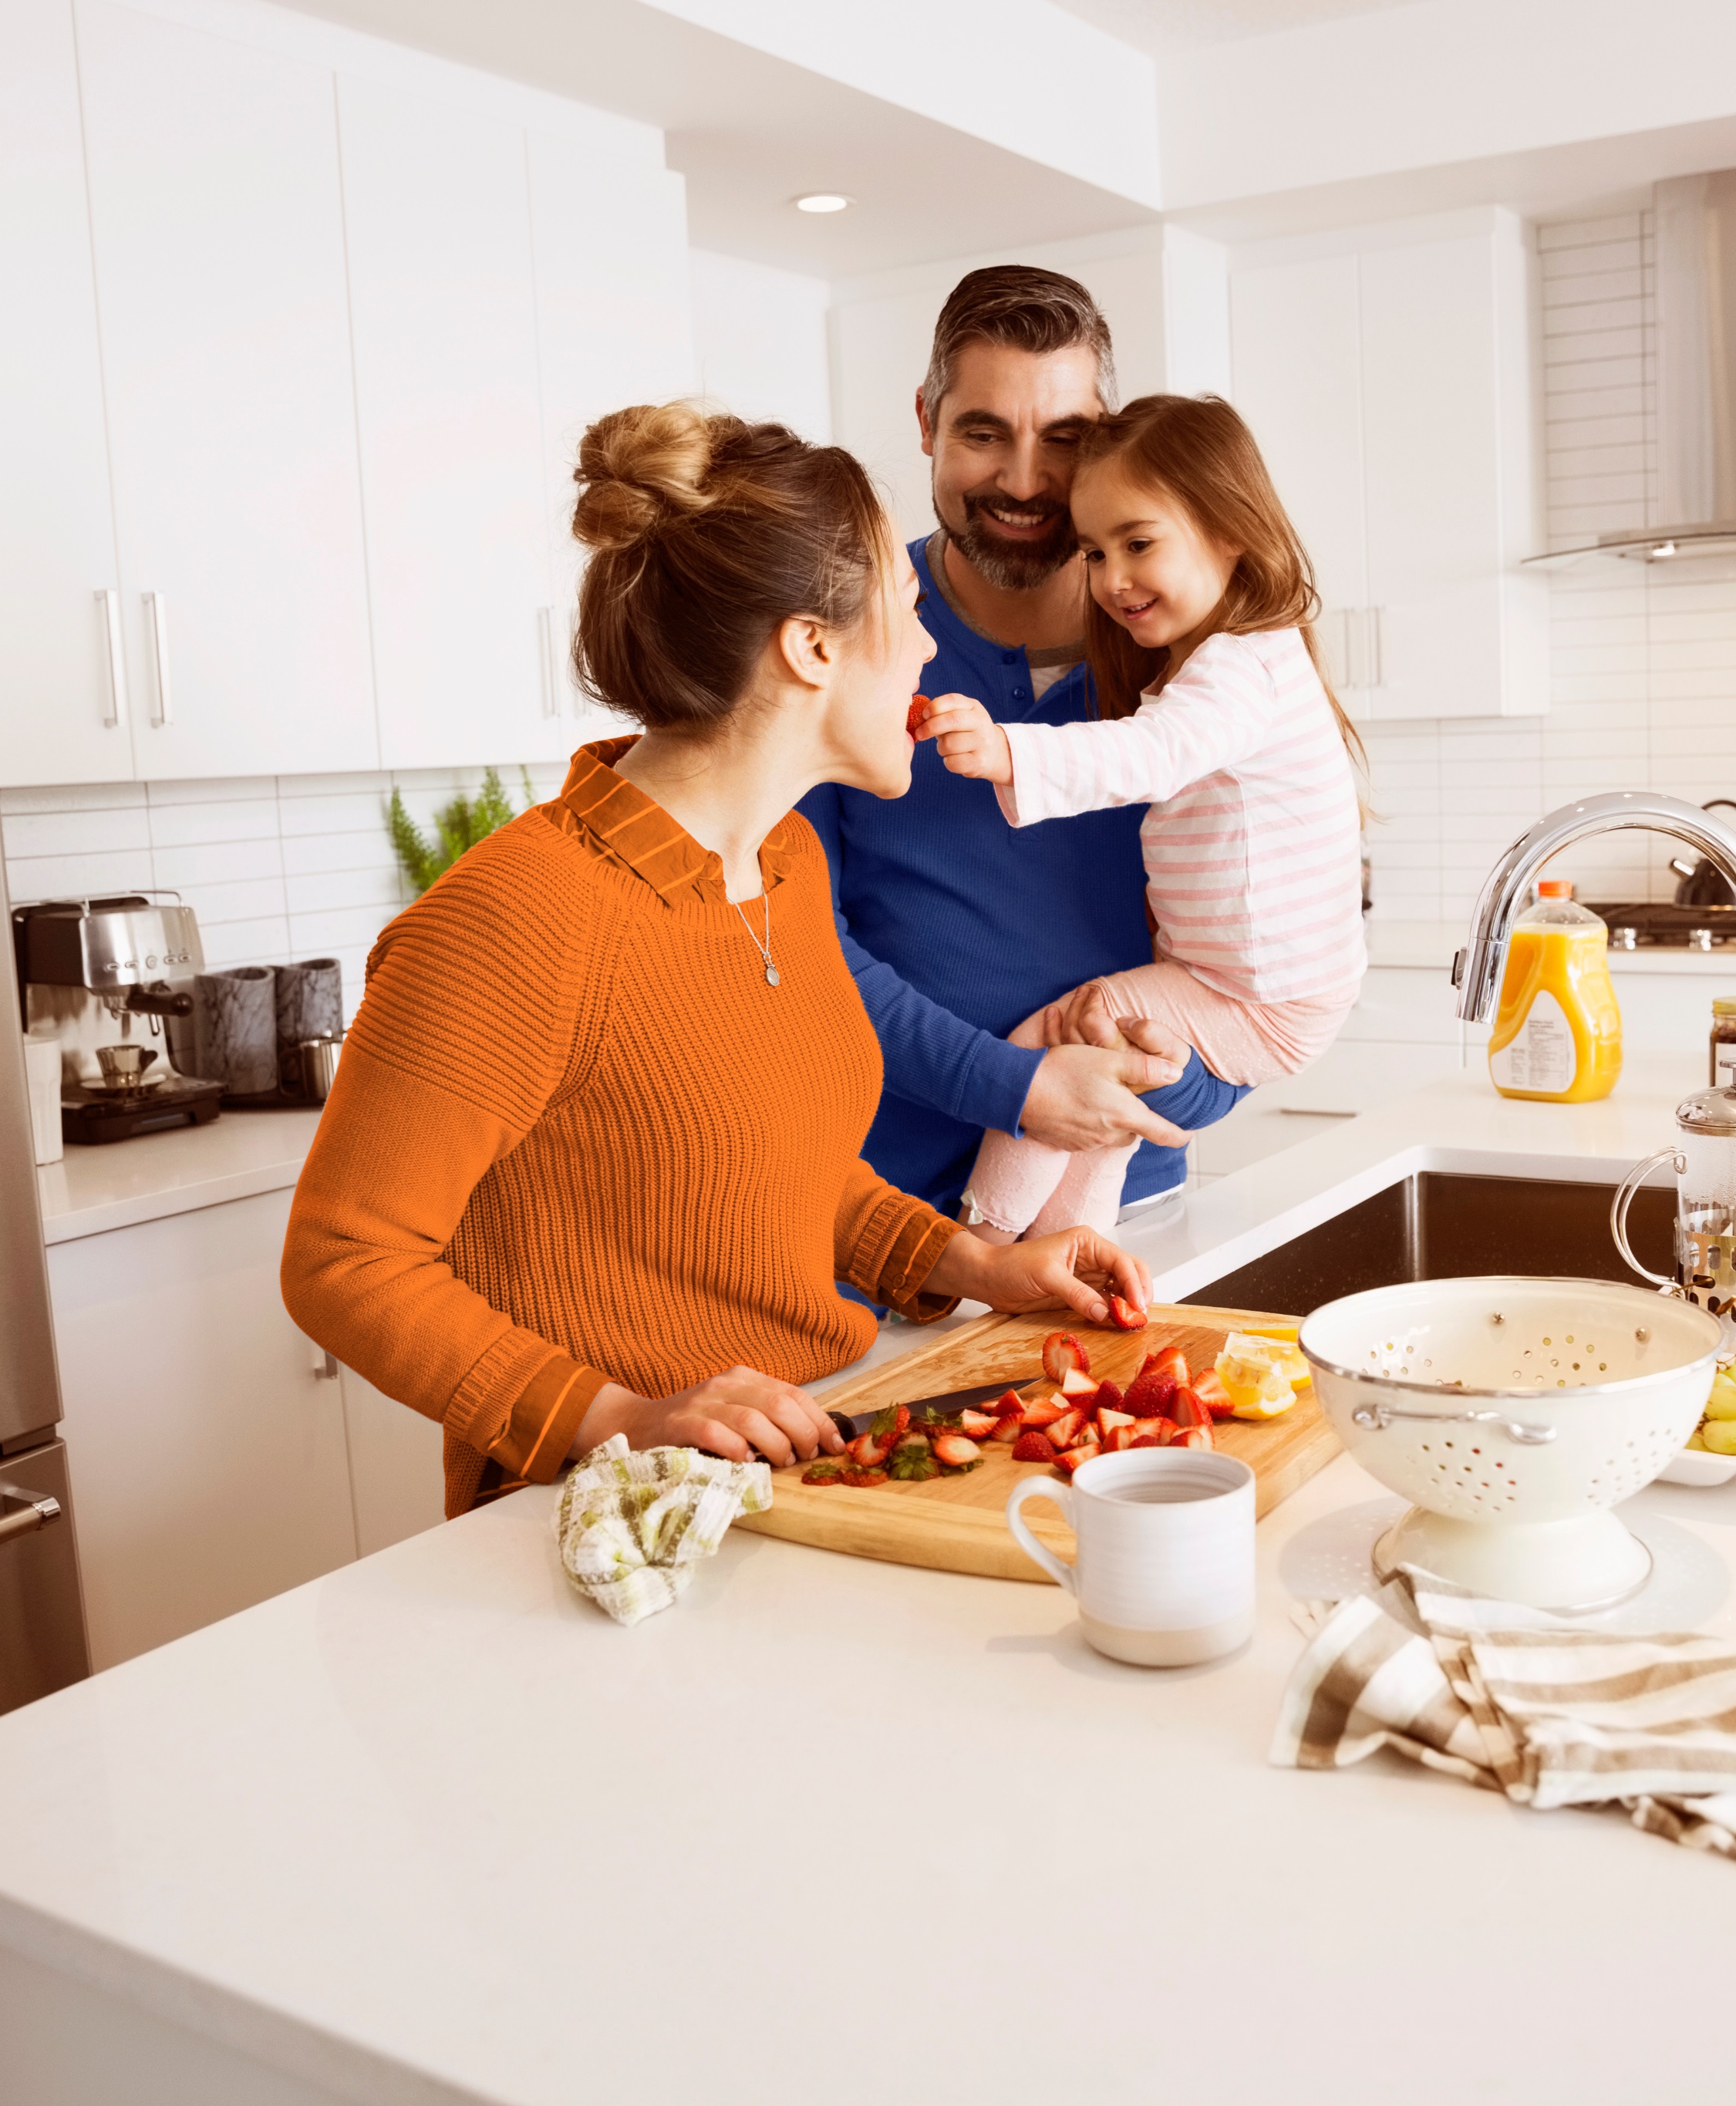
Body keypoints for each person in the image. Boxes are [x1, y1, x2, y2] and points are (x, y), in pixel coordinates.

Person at [281, 403, 1151, 1515]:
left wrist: (976, 1264)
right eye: (910, 606)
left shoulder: (784, 861)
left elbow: (776, 1164)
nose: (931, 645)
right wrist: (618, 1417)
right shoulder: (516, 918)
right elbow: (343, 1259)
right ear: (813, 647)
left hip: (810, 1453)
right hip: (615, 1520)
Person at [796, 266, 1248, 1229]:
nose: (1026, 480)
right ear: (926, 420)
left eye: (1066, 439)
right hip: (882, 1227)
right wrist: (1017, 1087)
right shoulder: (846, 633)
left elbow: (1261, 955)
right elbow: (803, 945)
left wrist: (1171, 1088)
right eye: (983, 432)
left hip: (1121, 1210)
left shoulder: (1202, 664)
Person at [922, 395, 1367, 1235]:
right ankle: (1071, 1249)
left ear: (1229, 530)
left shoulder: (1240, 669)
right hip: (1264, 988)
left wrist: (1009, 751)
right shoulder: (1234, 660)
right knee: (1104, 1082)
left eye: (1138, 543)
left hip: (1257, 998)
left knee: (1050, 1038)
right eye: (1094, 551)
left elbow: (1152, 752)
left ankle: (978, 1242)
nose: (1112, 579)